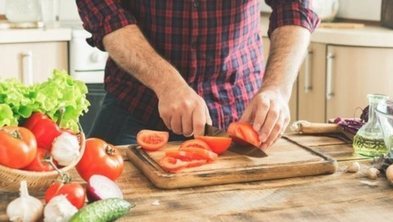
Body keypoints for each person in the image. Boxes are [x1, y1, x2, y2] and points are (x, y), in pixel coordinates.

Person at [76, 0, 319, 150]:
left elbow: (294, 6)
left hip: (237, 112)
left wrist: (277, 88)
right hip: (137, 104)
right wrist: (167, 83)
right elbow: (104, 10)